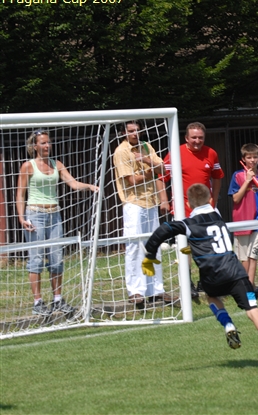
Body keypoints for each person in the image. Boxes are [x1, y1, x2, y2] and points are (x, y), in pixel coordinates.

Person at [142, 183, 258, 371]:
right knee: (253, 310)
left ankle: (228, 324)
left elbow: (164, 229)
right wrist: (195, 246)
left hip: (212, 277)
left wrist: (150, 253)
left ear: (188, 204)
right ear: (211, 199)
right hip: (236, 273)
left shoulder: (189, 224)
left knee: (211, 297)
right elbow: (213, 238)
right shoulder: (218, 217)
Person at [16, 130, 99, 316]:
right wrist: (21, 218)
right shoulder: (28, 166)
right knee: (36, 258)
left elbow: (73, 184)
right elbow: (20, 194)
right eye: (43, 143)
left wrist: (90, 186)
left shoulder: (57, 164)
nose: (47, 146)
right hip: (35, 214)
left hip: (54, 215)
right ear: (35, 146)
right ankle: (38, 302)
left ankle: (58, 300)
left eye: (48, 142)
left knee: (56, 258)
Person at [113, 120, 174, 307]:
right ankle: (135, 291)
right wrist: (151, 172)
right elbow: (132, 181)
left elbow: (162, 169)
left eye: (137, 130)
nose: (135, 134)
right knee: (134, 246)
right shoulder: (121, 151)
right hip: (133, 203)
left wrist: (147, 161)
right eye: (131, 131)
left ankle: (156, 290)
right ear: (124, 133)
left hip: (151, 201)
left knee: (154, 244)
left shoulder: (146, 147)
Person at [162, 121, 224, 298]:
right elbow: (161, 176)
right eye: (194, 137)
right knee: (186, 247)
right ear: (186, 138)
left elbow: (217, 177)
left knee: (209, 246)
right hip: (183, 209)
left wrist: (214, 199)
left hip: (205, 209)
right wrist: (164, 200)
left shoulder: (211, 153)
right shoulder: (176, 153)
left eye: (200, 138)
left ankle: (206, 281)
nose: (197, 141)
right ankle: (187, 283)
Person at [228, 143, 258, 297]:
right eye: (249, 157)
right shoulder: (238, 176)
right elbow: (235, 198)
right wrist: (247, 180)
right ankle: (244, 288)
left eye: (255, 157)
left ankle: (250, 289)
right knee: (244, 258)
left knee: (253, 256)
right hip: (242, 221)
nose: (252, 160)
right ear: (243, 159)